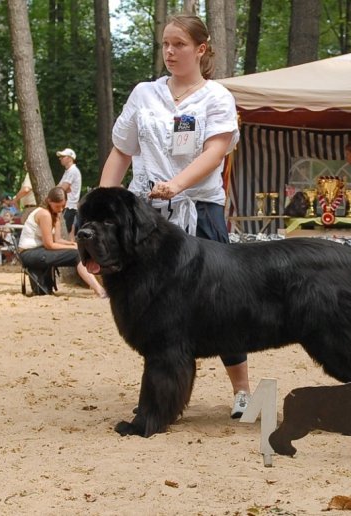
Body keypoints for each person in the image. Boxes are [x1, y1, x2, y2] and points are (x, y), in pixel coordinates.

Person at [99, 14, 251, 418]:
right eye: (165, 44)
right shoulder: (144, 94)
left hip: (200, 209)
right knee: (149, 305)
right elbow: (121, 151)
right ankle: (161, 392)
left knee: (222, 302)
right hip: (145, 216)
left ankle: (242, 391)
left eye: (179, 44)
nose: (170, 52)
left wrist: (178, 185)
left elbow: (215, 152)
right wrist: (103, 202)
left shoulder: (216, 97)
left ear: (201, 49)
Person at [18, 186, 106, 298]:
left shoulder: (55, 214)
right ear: (49, 201)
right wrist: (74, 249)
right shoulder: (44, 214)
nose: (60, 209)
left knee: (77, 251)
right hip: (29, 253)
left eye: (63, 206)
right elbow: (49, 245)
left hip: (39, 251)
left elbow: (58, 240)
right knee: (77, 255)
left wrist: (73, 244)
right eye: (57, 206)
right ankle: (99, 290)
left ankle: (98, 286)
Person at [56, 148, 81, 237]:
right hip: (67, 206)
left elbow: (62, 188)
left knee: (63, 233)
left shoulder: (72, 171)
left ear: (70, 158)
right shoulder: (68, 171)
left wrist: (63, 188)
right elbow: (61, 187)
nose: (60, 158)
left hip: (69, 206)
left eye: (63, 156)